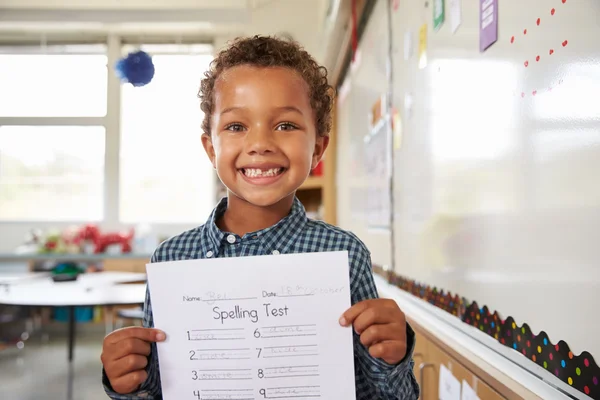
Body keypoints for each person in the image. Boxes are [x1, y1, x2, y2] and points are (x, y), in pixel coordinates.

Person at [101, 35, 419, 400]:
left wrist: (392, 358)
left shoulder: (344, 254)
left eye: (285, 125)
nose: (260, 143)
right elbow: (162, 387)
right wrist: (127, 382)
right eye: (236, 127)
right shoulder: (172, 260)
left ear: (317, 148)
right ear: (211, 147)